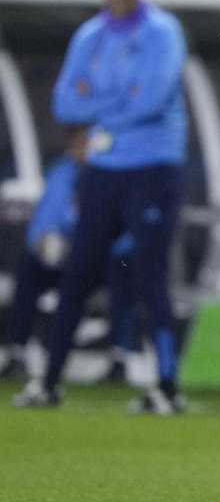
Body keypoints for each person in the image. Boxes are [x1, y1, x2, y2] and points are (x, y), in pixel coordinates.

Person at [14, 0, 188, 413]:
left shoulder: (163, 31)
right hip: (104, 169)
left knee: (150, 277)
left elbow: (150, 99)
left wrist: (99, 102)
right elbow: (64, 104)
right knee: (76, 274)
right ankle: (48, 382)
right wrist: (116, 102)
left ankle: (167, 389)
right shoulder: (88, 36)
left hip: (153, 166)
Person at [1, 126, 136, 382]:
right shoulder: (62, 173)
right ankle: (18, 351)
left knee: (124, 269)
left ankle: (120, 356)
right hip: (69, 255)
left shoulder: (119, 176)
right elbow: (44, 221)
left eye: (89, 142)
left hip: (109, 257)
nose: (84, 149)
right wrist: (44, 241)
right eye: (79, 143)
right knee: (29, 266)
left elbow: (130, 230)